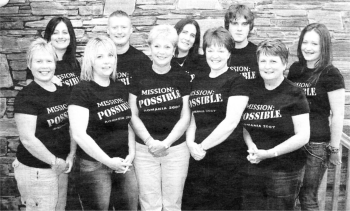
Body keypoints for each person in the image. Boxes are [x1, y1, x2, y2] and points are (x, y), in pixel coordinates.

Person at [182, 27, 249, 210]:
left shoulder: (237, 81)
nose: (215, 55)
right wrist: (190, 144)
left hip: (227, 158)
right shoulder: (198, 79)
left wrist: (203, 147)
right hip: (197, 158)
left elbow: (231, 122)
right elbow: (194, 116)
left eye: (221, 50)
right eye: (210, 50)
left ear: (229, 53)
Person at [68, 36, 138, 211]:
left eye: (110, 55)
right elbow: (79, 134)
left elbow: (126, 123)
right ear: (90, 61)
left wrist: (132, 152)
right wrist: (107, 161)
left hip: (123, 163)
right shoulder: (82, 90)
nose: (107, 61)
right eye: (99, 57)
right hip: (95, 166)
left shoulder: (120, 87)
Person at [241, 39, 310, 210]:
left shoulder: (294, 93)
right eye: (263, 61)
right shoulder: (249, 89)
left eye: (273, 61)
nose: (267, 66)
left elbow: (303, 136)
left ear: (284, 64)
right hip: (253, 165)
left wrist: (270, 153)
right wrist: (252, 148)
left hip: (284, 169)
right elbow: (243, 125)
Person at [129, 25, 191, 211]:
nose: (161, 52)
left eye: (167, 47)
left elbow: (185, 117)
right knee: (149, 204)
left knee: (172, 203)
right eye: (157, 46)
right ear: (149, 48)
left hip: (176, 150)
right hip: (144, 150)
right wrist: (150, 142)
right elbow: (132, 114)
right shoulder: (138, 75)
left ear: (174, 50)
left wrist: (166, 143)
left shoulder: (182, 77)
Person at [287, 23, 345, 211]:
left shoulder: (331, 74)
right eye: (305, 42)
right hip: (294, 140)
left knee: (308, 197)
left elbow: (337, 114)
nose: (308, 48)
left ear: (324, 47)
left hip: (316, 144)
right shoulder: (296, 69)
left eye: (314, 44)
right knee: (290, 193)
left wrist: (334, 148)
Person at [13, 38, 76, 211]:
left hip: (61, 167)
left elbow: (70, 127)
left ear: (55, 64)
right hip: (37, 170)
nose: (44, 66)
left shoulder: (62, 91)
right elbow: (27, 139)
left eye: (48, 61)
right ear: (29, 64)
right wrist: (55, 161)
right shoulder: (26, 96)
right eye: (38, 61)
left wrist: (70, 155)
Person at [26, 17, 80, 88]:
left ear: (70, 36)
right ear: (49, 36)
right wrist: (45, 81)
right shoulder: (40, 63)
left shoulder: (74, 62)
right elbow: (30, 91)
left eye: (65, 32)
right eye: (55, 33)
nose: (60, 37)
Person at [107, 10, 151, 86]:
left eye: (124, 27)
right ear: (108, 30)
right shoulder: (99, 59)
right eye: (114, 27)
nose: (119, 32)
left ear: (131, 30)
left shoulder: (142, 60)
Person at [225, 4, 259, 81]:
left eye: (244, 24)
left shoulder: (258, 53)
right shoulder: (220, 53)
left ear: (250, 27)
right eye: (235, 23)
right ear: (228, 26)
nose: (239, 29)